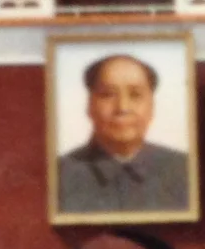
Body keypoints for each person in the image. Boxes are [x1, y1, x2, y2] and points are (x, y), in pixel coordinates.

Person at [55, 53, 191, 217]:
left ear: (152, 107)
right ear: (89, 105)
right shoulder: (59, 175)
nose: (122, 108)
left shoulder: (184, 170)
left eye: (135, 95)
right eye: (108, 94)